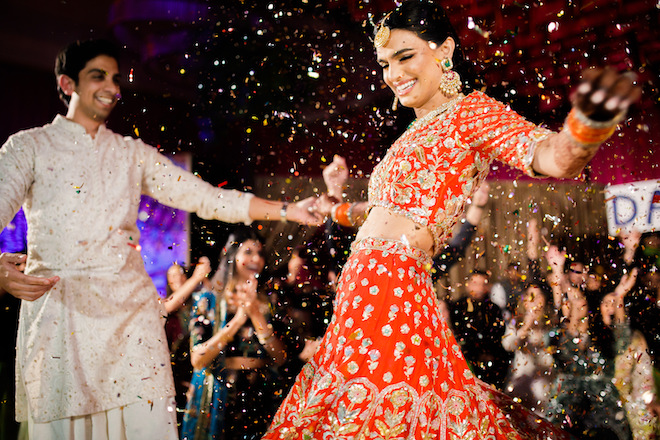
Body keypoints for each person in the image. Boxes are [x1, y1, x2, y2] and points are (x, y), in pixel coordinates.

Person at [262, 1, 640, 438]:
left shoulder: (470, 113)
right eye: (385, 63)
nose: (393, 74)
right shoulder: (409, 131)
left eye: (405, 57)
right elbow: (383, 213)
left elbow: (552, 157)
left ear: (445, 50)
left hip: (396, 292)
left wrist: (585, 126)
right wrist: (332, 206)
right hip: (356, 300)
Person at [0, 39, 321, 440]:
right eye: (97, 75)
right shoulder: (28, 146)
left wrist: (288, 210)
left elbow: (207, 198)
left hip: (131, 318)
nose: (111, 87)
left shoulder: (130, 153)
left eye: (115, 78)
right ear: (67, 84)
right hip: (64, 313)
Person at [181, 227, 287, 440]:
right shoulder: (208, 300)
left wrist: (256, 314)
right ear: (232, 255)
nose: (255, 258)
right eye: (248, 252)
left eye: (259, 253)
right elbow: (198, 359)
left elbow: (280, 358)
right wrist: (238, 319)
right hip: (219, 398)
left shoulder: (271, 301)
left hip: (260, 398)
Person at [449, 270, 510, 389]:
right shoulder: (458, 307)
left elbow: (498, 333)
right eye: (475, 283)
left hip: (492, 361)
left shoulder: (493, 309)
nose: (479, 288)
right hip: (467, 360)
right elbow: (458, 332)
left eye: (483, 284)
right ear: (468, 285)